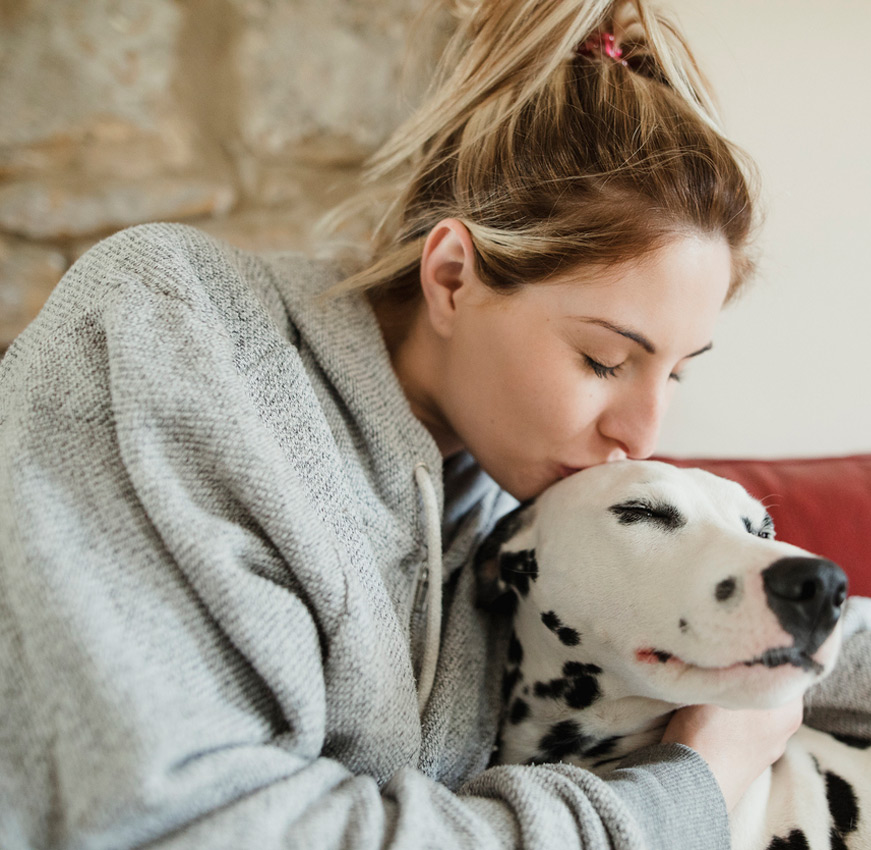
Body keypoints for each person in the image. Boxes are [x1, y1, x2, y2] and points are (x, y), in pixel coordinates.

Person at [0, 1, 803, 847]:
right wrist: (691, 791)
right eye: (604, 361)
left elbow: (839, 633)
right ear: (453, 276)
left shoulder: (524, 500)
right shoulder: (172, 324)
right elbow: (187, 825)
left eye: (674, 372)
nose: (641, 433)